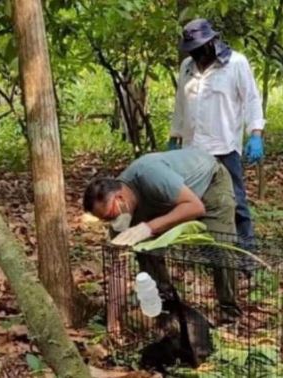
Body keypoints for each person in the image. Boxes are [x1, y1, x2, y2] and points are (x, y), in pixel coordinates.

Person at [82, 147, 241, 367]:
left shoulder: (149, 174)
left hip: (208, 185)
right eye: (105, 220)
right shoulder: (120, 216)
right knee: (145, 251)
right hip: (166, 204)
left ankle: (230, 313)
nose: (112, 222)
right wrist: (112, 320)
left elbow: (195, 206)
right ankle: (169, 312)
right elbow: (116, 268)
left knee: (219, 249)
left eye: (110, 215)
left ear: (120, 198)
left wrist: (149, 227)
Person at [169, 18, 265, 247]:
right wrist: (175, 136)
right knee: (195, 199)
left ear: (212, 42)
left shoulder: (236, 63)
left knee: (236, 202)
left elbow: (251, 99)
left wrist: (256, 134)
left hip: (224, 146)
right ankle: (207, 248)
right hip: (192, 149)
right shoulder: (187, 67)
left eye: (199, 49)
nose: (196, 54)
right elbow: (181, 104)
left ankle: (245, 251)